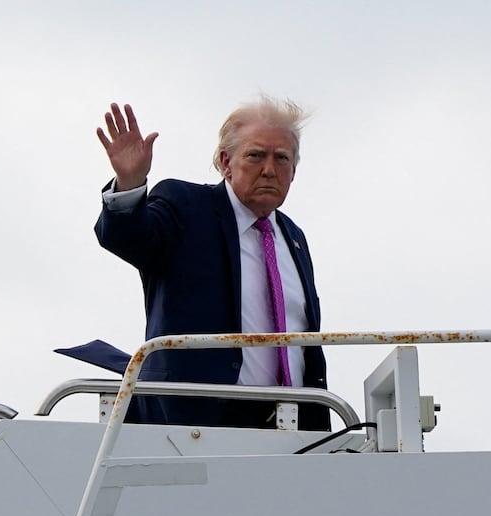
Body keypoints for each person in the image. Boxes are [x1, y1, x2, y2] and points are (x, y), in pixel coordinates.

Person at [92, 98, 330, 431]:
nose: (269, 169)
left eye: (282, 158)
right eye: (256, 155)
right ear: (225, 162)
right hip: (197, 419)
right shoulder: (187, 205)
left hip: (291, 424)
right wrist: (130, 184)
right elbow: (128, 237)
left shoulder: (293, 237)